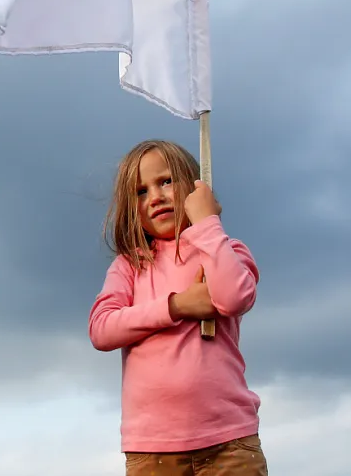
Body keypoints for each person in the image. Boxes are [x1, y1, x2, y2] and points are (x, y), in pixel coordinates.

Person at [89, 139, 267, 476]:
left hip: (230, 441)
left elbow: (235, 298)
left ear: (196, 186)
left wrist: (207, 225)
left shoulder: (225, 250)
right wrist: (178, 305)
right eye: (141, 192)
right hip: (152, 447)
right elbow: (102, 329)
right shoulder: (130, 266)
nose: (155, 197)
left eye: (166, 181)